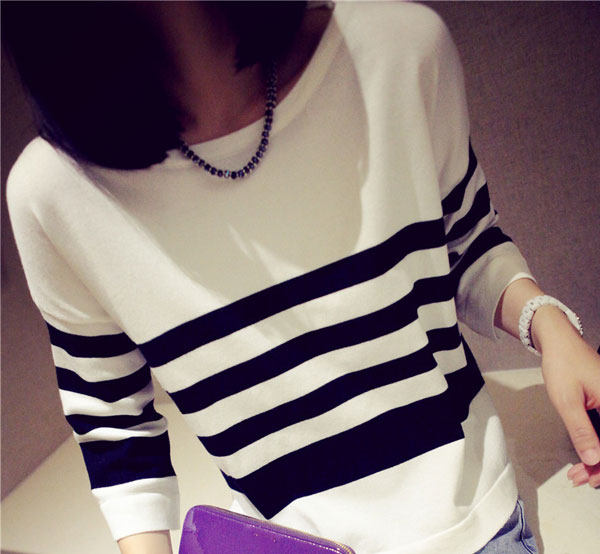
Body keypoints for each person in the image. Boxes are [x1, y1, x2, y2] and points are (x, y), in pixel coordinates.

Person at [4, 2, 600, 553]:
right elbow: (114, 422)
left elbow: (465, 243)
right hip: (283, 541)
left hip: (465, 524)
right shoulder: (54, 195)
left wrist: (549, 327)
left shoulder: (396, 49)